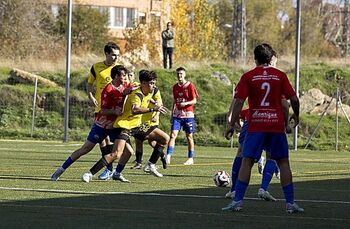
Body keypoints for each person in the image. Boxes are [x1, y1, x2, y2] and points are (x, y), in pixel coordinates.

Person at [222, 43, 303, 213]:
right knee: (283, 163)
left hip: (256, 125)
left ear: (255, 58)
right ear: (270, 58)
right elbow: (293, 99)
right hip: (275, 125)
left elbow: (238, 101)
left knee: (247, 160)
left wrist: (231, 124)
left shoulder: (249, 76)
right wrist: (295, 116)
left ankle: (237, 201)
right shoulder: (280, 75)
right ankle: (290, 203)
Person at [81, 70, 168, 182]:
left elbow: (147, 95)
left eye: (154, 83)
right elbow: (135, 109)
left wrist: (155, 103)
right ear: (143, 83)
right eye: (151, 83)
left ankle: (149, 165)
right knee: (117, 154)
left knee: (165, 138)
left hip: (138, 125)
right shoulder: (137, 94)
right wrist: (152, 109)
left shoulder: (150, 90)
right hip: (125, 125)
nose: (153, 85)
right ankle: (89, 173)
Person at [51, 65, 129, 181]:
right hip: (102, 125)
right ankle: (61, 169)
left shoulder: (125, 85)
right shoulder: (108, 90)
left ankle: (114, 173)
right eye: (123, 75)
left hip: (116, 126)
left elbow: (133, 89)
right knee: (85, 149)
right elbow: (103, 110)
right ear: (117, 76)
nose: (126, 78)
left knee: (126, 151)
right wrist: (114, 111)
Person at [86, 42, 121, 179]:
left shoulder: (119, 69)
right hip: (100, 109)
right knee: (102, 140)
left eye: (117, 55)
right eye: (113, 55)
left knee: (110, 139)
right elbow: (89, 84)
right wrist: (91, 96)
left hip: (113, 110)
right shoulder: (96, 67)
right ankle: (109, 169)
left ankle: (110, 168)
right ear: (106, 54)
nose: (116, 58)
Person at [166, 67, 199, 165]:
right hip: (177, 115)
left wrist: (185, 104)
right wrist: (172, 113)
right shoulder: (175, 87)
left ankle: (190, 158)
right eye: (178, 74)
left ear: (184, 74)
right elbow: (174, 101)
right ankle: (168, 156)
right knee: (172, 135)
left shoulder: (190, 86)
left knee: (189, 136)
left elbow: (194, 100)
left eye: (181, 74)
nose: (179, 75)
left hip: (188, 114)